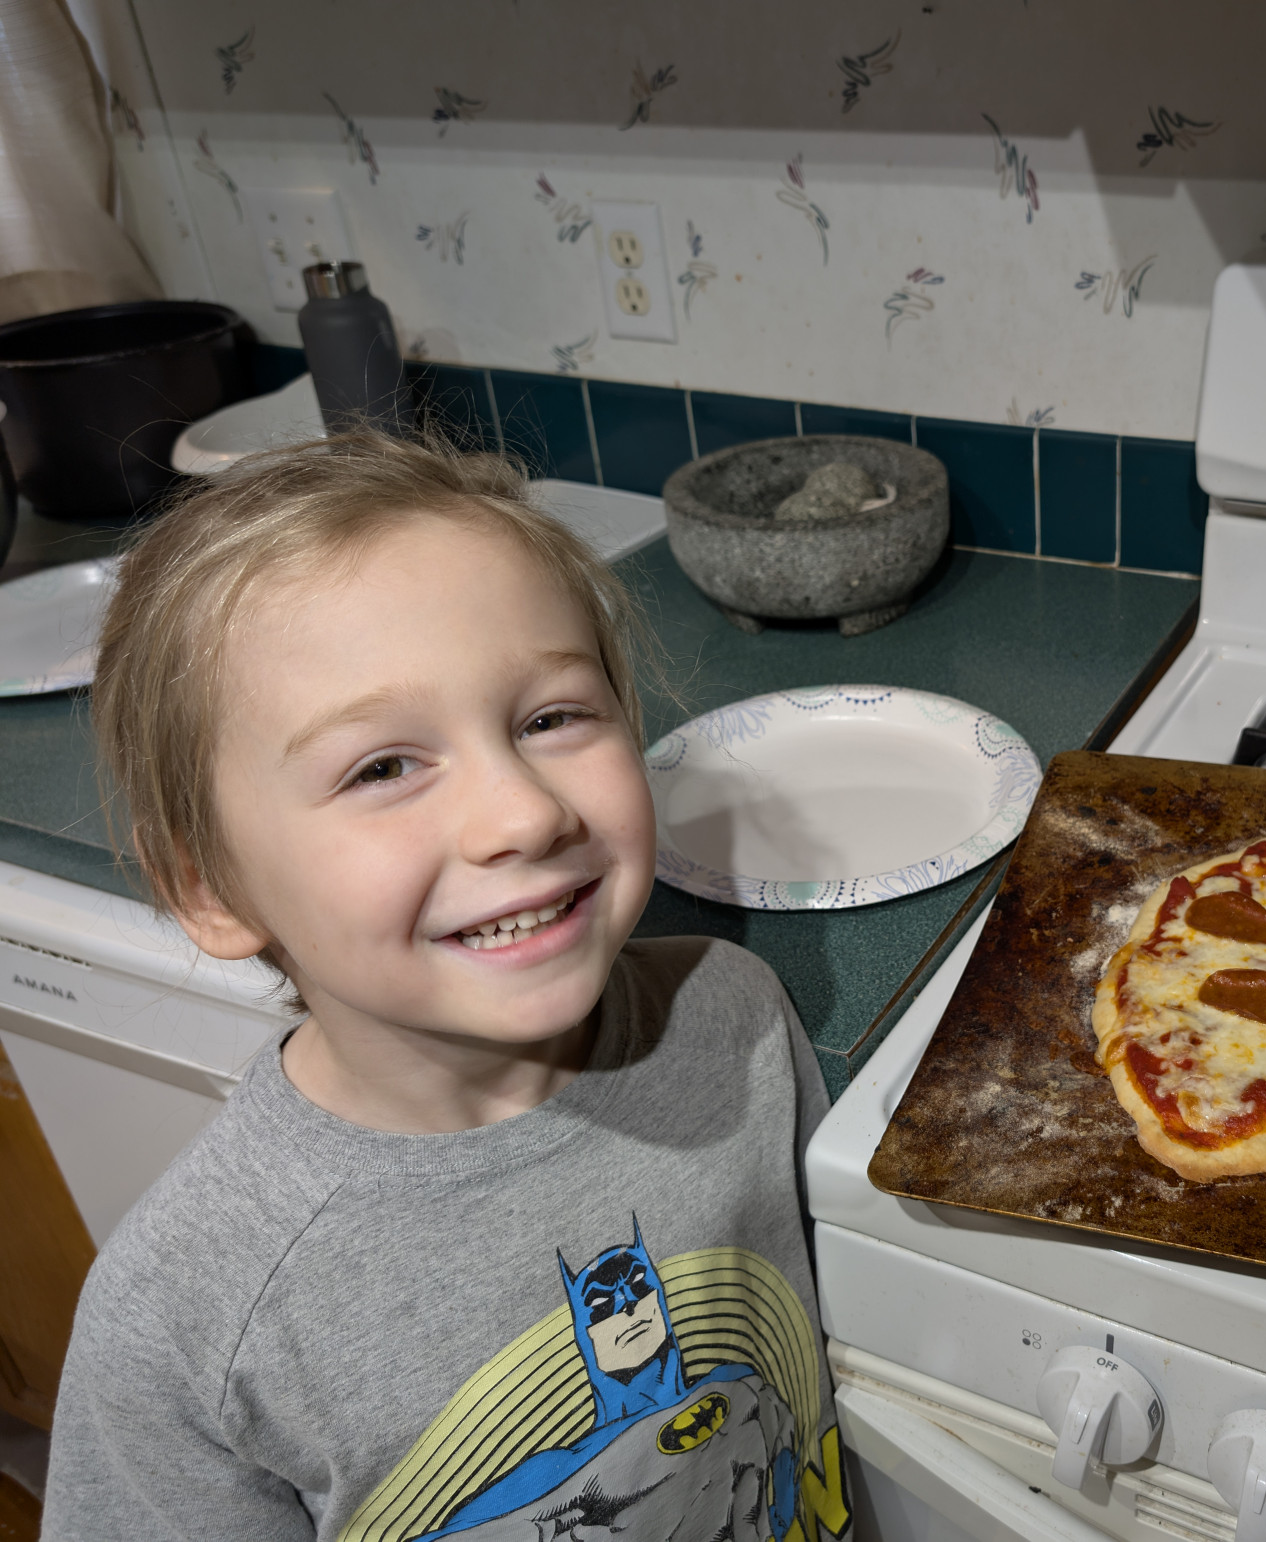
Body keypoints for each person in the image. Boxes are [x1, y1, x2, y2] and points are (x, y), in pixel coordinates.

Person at [41, 433, 851, 1542]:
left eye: (551, 718)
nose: (524, 812)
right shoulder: (186, 1330)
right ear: (208, 887)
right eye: (382, 767)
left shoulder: (735, 1021)